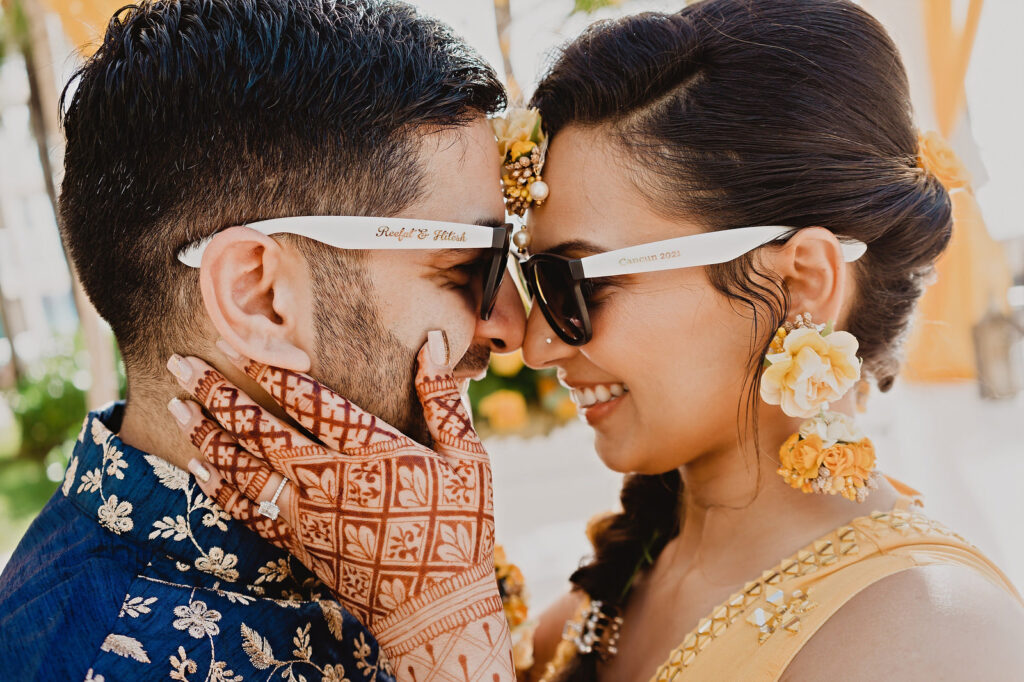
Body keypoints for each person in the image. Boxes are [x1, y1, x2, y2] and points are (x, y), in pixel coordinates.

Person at [174, 1, 1024, 681]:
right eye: (528, 276)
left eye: (575, 285)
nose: (534, 343)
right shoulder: (631, 575)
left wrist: (440, 635)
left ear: (801, 282)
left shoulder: (935, 639)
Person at [0, 0, 524, 680]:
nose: (513, 326)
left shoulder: (377, 515)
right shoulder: (111, 660)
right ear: (259, 296)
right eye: (470, 267)